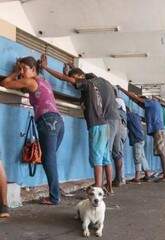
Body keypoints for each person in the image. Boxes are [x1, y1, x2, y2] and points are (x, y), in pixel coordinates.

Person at [40, 55, 119, 193]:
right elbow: (74, 80)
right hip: (104, 125)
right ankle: (109, 188)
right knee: (105, 157)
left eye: (73, 80)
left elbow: (68, 79)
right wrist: (71, 70)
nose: (72, 84)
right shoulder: (91, 88)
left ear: (79, 77)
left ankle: (98, 188)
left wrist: (47, 68)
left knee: (97, 158)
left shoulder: (87, 84)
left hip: (97, 126)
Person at [1, 56, 65, 205]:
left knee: (49, 160)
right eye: (20, 68)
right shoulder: (44, 81)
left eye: (24, 68)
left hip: (48, 122)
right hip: (59, 122)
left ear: (34, 69)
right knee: (48, 160)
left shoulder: (30, 81)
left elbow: (5, 83)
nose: (22, 71)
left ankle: (54, 197)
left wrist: (14, 73)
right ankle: (55, 191)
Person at [118, 87, 165, 181]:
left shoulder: (151, 102)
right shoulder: (155, 106)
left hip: (156, 131)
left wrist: (121, 89)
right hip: (155, 132)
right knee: (146, 156)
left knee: (160, 153)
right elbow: (141, 109)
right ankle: (153, 174)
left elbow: (135, 98)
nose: (141, 105)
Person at [126, 109, 151, 183]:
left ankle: (137, 177)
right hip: (141, 138)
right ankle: (147, 175)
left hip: (136, 139)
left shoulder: (128, 115)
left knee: (137, 158)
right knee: (142, 157)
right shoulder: (136, 115)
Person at [112, 90, 128, 187]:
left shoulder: (117, 100)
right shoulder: (121, 102)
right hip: (123, 129)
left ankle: (119, 179)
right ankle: (121, 178)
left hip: (119, 127)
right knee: (119, 154)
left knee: (117, 154)